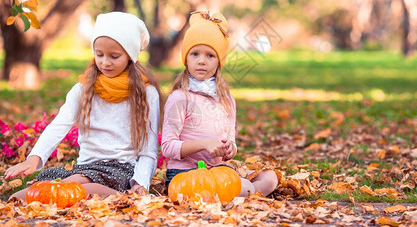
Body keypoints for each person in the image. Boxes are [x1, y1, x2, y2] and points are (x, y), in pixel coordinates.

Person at [4, 11, 161, 200]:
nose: (105, 62)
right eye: (99, 54)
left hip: (121, 170)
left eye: (114, 56)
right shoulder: (84, 89)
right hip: (85, 168)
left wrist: (140, 184)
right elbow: (59, 124)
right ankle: (15, 201)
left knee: (75, 186)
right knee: (53, 186)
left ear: (130, 55)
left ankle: (123, 196)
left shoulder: (145, 93)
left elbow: (149, 149)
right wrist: (34, 158)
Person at [161, 10, 278, 197]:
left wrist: (231, 148)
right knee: (244, 187)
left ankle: (239, 192)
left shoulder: (226, 99)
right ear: (186, 58)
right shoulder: (181, 97)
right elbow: (167, 147)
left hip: (218, 169)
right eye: (195, 54)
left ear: (219, 61)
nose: (201, 61)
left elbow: (229, 138)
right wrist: (203, 144)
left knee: (271, 177)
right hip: (185, 174)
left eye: (210, 56)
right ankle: (244, 193)